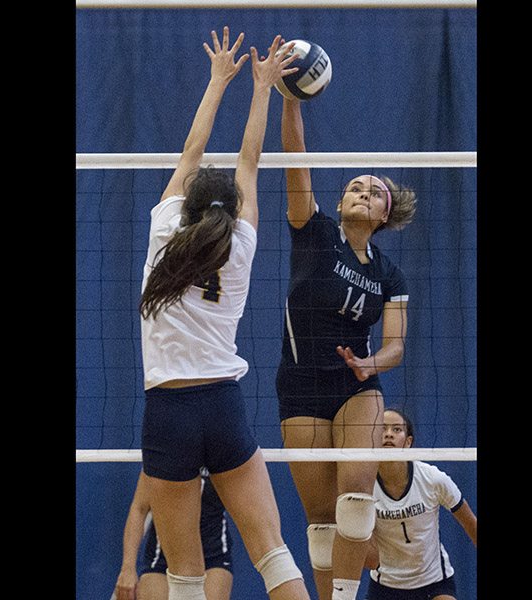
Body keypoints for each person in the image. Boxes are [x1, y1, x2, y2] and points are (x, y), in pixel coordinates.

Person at [137, 27, 310, 600]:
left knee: (184, 574)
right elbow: (250, 161)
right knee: (274, 555)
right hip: (223, 404)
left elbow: (192, 153)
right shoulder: (242, 243)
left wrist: (217, 81)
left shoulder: (164, 230)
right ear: (231, 210)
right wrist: (262, 88)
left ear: (184, 205)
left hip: (168, 409)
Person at [276, 94, 418, 600]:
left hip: (357, 383)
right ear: (339, 205)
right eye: (354, 187)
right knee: (319, 519)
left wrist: (368, 364)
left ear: (384, 213)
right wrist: (291, 102)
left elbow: (396, 346)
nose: (362, 192)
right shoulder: (314, 234)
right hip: (299, 384)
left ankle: (344, 598)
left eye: (373, 191)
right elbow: (297, 160)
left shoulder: (389, 273)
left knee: (355, 494)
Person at [363, 408, 477, 600]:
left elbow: (470, 523)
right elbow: (368, 557)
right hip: (386, 585)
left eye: (397, 429)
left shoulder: (433, 479)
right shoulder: (364, 486)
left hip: (434, 582)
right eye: (382, 429)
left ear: (408, 442)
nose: (389, 433)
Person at [111, 468, 234, 600]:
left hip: (212, 555)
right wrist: (127, 569)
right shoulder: (162, 455)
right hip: (163, 558)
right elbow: (139, 509)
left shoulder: (221, 453)